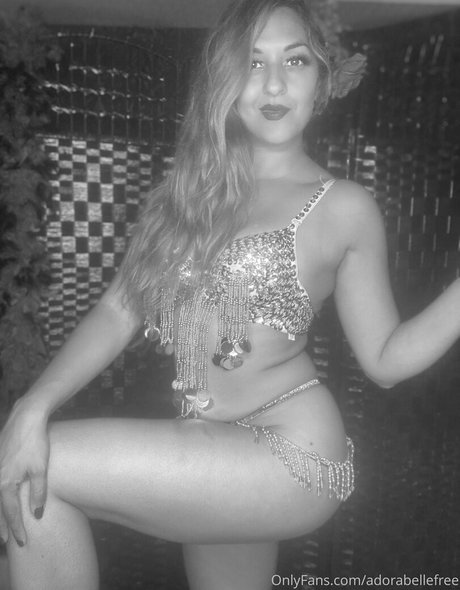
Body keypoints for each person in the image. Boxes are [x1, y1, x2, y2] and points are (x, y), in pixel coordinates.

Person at [0, 0, 459, 588]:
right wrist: (31, 406)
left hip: (292, 452)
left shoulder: (343, 205)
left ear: (321, 79)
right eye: (253, 62)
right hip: (211, 440)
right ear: (225, 79)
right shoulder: (184, 194)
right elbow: (118, 310)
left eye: (295, 60)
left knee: (37, 472)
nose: (274, 83)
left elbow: (386, 359)